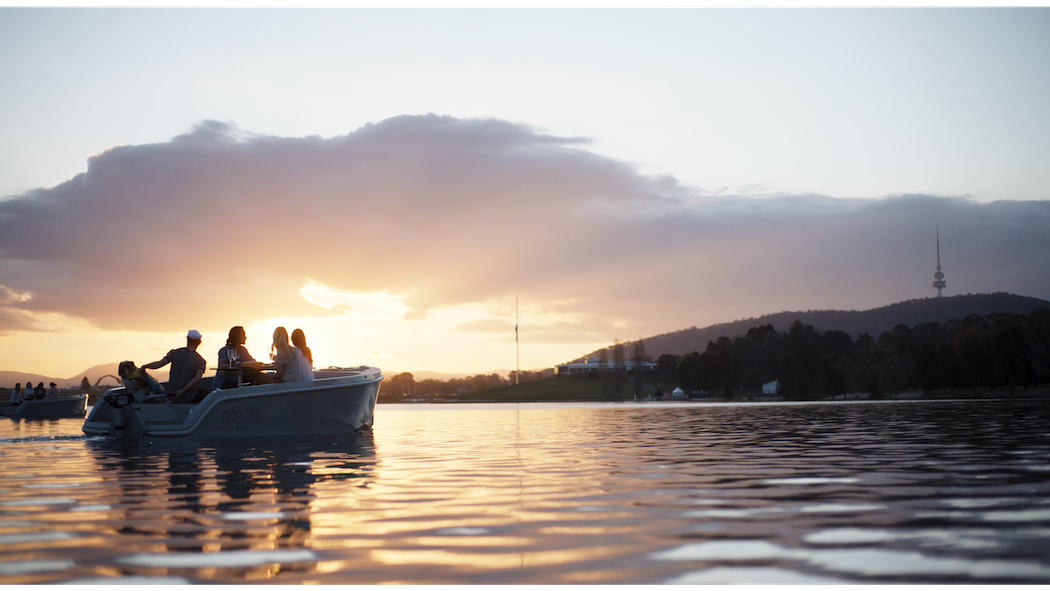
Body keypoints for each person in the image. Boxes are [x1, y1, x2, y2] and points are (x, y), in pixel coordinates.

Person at [142, 329, 207, 403]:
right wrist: (181, 392)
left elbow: (159, 364)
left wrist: (144, 367)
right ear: (199, 343)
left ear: (187, 340)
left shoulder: (175, 353)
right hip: (188, 398)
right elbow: (197, 378)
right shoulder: (201, 361)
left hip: (171, 395)